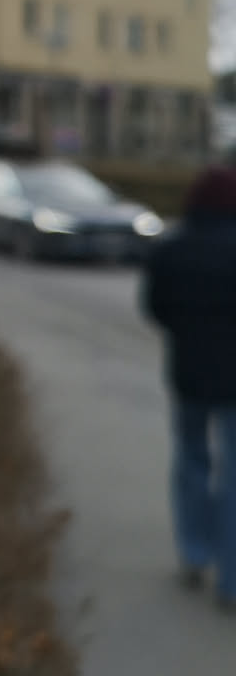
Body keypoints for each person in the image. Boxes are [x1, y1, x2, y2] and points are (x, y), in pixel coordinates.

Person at [142, 165, 236, 611]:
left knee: (192, 459)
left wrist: (188, 334)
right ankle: (232, 579)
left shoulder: (172, 249)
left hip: (189, 373)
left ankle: (195, 552)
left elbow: (155, 308)